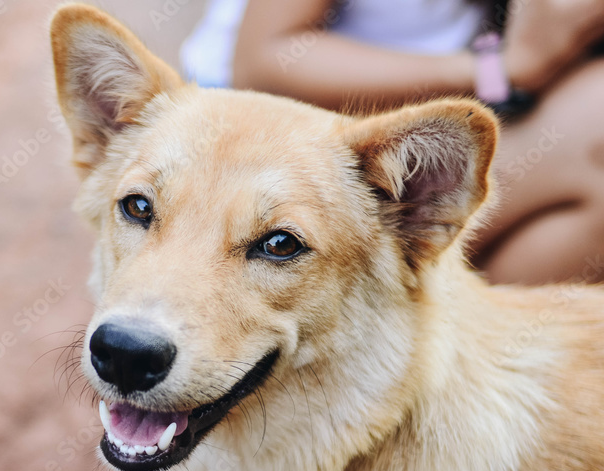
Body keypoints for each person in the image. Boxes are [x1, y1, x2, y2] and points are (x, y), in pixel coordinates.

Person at [181, 0, 604, 284]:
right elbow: (261, 61)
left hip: (413, 143)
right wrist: (501, 69)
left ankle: (459, 350)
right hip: (254, 136)